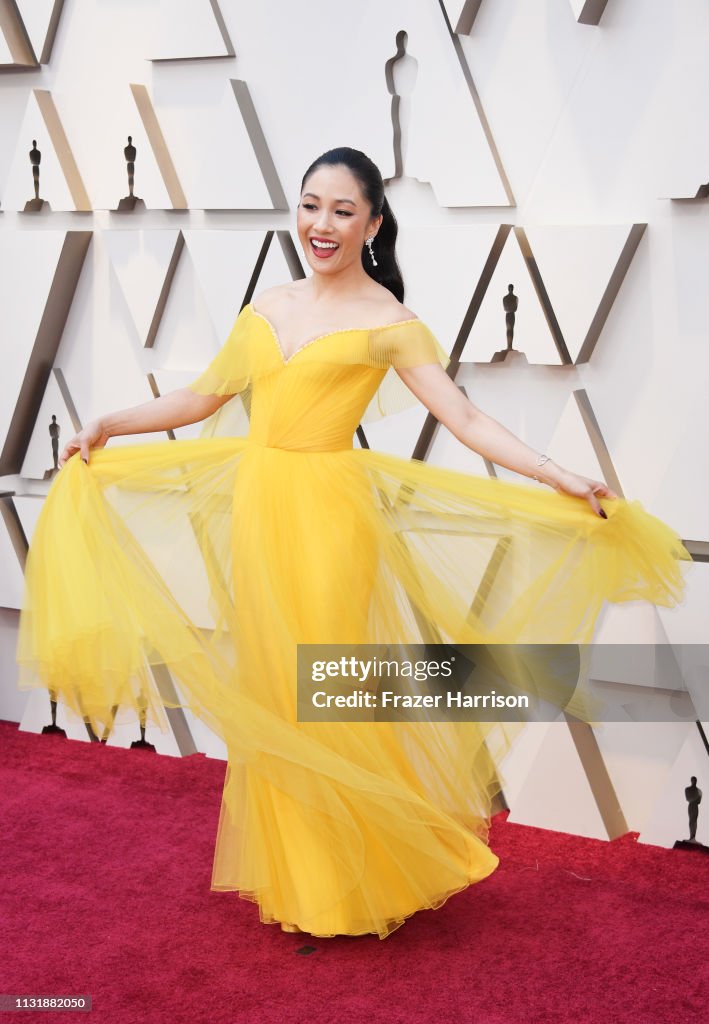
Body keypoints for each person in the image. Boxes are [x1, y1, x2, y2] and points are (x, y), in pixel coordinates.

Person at [16, 147, 691, 940]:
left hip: (329, 519)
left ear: (372, 223)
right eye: (310, 205)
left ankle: (356, 879)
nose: (321, 225)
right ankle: (304, 883)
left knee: (323, 693)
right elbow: (201, 399)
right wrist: (107, 424)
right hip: (260, 513)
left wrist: (557, 475)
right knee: (274, 688)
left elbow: (464, 419)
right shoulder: (267, 305)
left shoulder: (389, 322)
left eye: (342, 210)